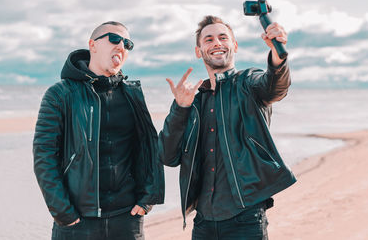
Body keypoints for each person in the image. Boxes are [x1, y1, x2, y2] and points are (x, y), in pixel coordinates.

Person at [158, 15, 296, 239]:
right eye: (209, 39)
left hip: (246, 218)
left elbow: (275, 87)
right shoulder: (192, 101)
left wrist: (278, 55)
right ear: (198, 50)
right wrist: (180, 109)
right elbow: (167, 156)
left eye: (223, 37)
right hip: (203, 222)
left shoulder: (248, 84)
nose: (217, 43)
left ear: (235, 46)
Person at [33, 21, 164, 240]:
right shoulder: (60, 94)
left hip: (127, 218)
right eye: (114, 38)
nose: (121, 45)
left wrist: (147, 199)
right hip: (77, 221)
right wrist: (63, 212)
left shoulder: (132, 95)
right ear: (92, 45)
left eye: (127, 43)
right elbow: (44, 155)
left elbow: (147, 147)